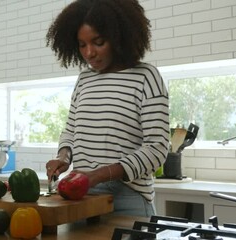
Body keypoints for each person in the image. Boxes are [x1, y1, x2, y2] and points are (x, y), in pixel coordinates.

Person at [45, 0, 169, 217]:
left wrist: (99, 174)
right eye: (82, 45)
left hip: (127, 198)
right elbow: (71, 130)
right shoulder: (84, 79)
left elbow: (157, 148)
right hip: (81, 197)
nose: (89, 53)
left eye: (98, 42)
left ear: (118, 37)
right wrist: (63, 157)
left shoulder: (146, 77)